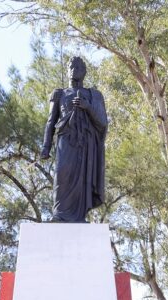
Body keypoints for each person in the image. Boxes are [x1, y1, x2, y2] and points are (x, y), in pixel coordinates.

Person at [39, 56, 108, 223]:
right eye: (71, 67)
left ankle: (79, 216)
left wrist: (87, 106)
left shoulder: (94, 95)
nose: (74, 70)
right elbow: (51, 121)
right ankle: (59, 214)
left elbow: (102, 122)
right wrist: (46, 146)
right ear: (67, 70)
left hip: (86, 143)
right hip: (66, 140)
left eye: (78, 67)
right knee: (62, 174)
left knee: (83, 178)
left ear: (84, 72)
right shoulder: (59, 93)